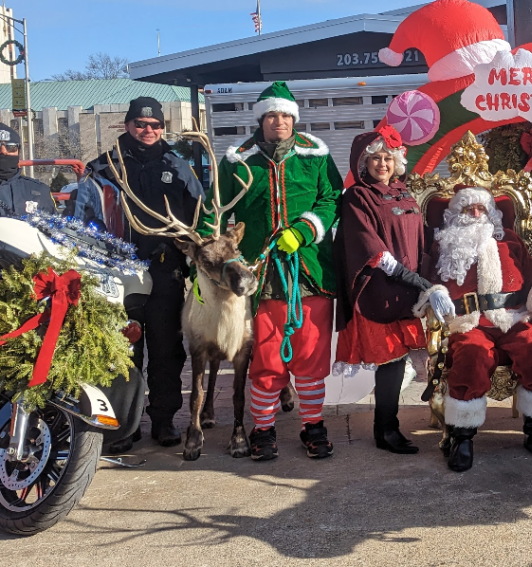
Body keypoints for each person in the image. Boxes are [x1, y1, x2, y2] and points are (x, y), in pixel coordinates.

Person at [205, 81, 342, 461]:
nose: (278, 121)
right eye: (271, 115)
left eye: (284, 115)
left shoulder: (314, 154)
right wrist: (205, 254)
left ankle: (312, 425)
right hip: (259, 275)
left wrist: (305, 229)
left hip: (309, 271)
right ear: (261, 119)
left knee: (311, 356)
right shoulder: (238, 159)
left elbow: (332, 197)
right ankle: (263, 428)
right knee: (265, 359)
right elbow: (212, 211)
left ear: (292, 119)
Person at [76, 98, 204, 451]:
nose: (148, 131)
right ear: (127, 125)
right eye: (140, 124)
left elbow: (199, 218)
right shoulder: (103, 169)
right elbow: (84, 219)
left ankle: (163, 420)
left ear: (162, 128)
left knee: (165, 350)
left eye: (155, 125)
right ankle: (124, 425)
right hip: (120, 275)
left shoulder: (179, 168)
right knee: (122, 350)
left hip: (165, 273)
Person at [419, 187, 532, 472]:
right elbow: (427, 279)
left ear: (490, 213)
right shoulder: (443, 244)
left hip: (512, 318)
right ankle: (462, 437)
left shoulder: (510, 240)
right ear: (455, 214)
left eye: (480, 209)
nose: (475, 214)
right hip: (468, 321)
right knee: (471, 356)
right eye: (468, 209)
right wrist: (433, 291)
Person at [334, 125, 429, 455]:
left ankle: (390, 425)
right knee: (390, 361)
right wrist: (408, 276)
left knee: (402, 361)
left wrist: (428, 277)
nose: (382, 164)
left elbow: (421, 239)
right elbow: (368, 247)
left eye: (387, 157)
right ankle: (385, 430)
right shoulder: (357, 197)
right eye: (374, 158)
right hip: (381, 291)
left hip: (409, 293)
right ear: (363, 163)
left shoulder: (406, 194)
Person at [0, 122, 55, 218]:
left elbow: (55, 228)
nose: (4, 151)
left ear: (18, 151)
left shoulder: (39, 190)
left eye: (11, 147)